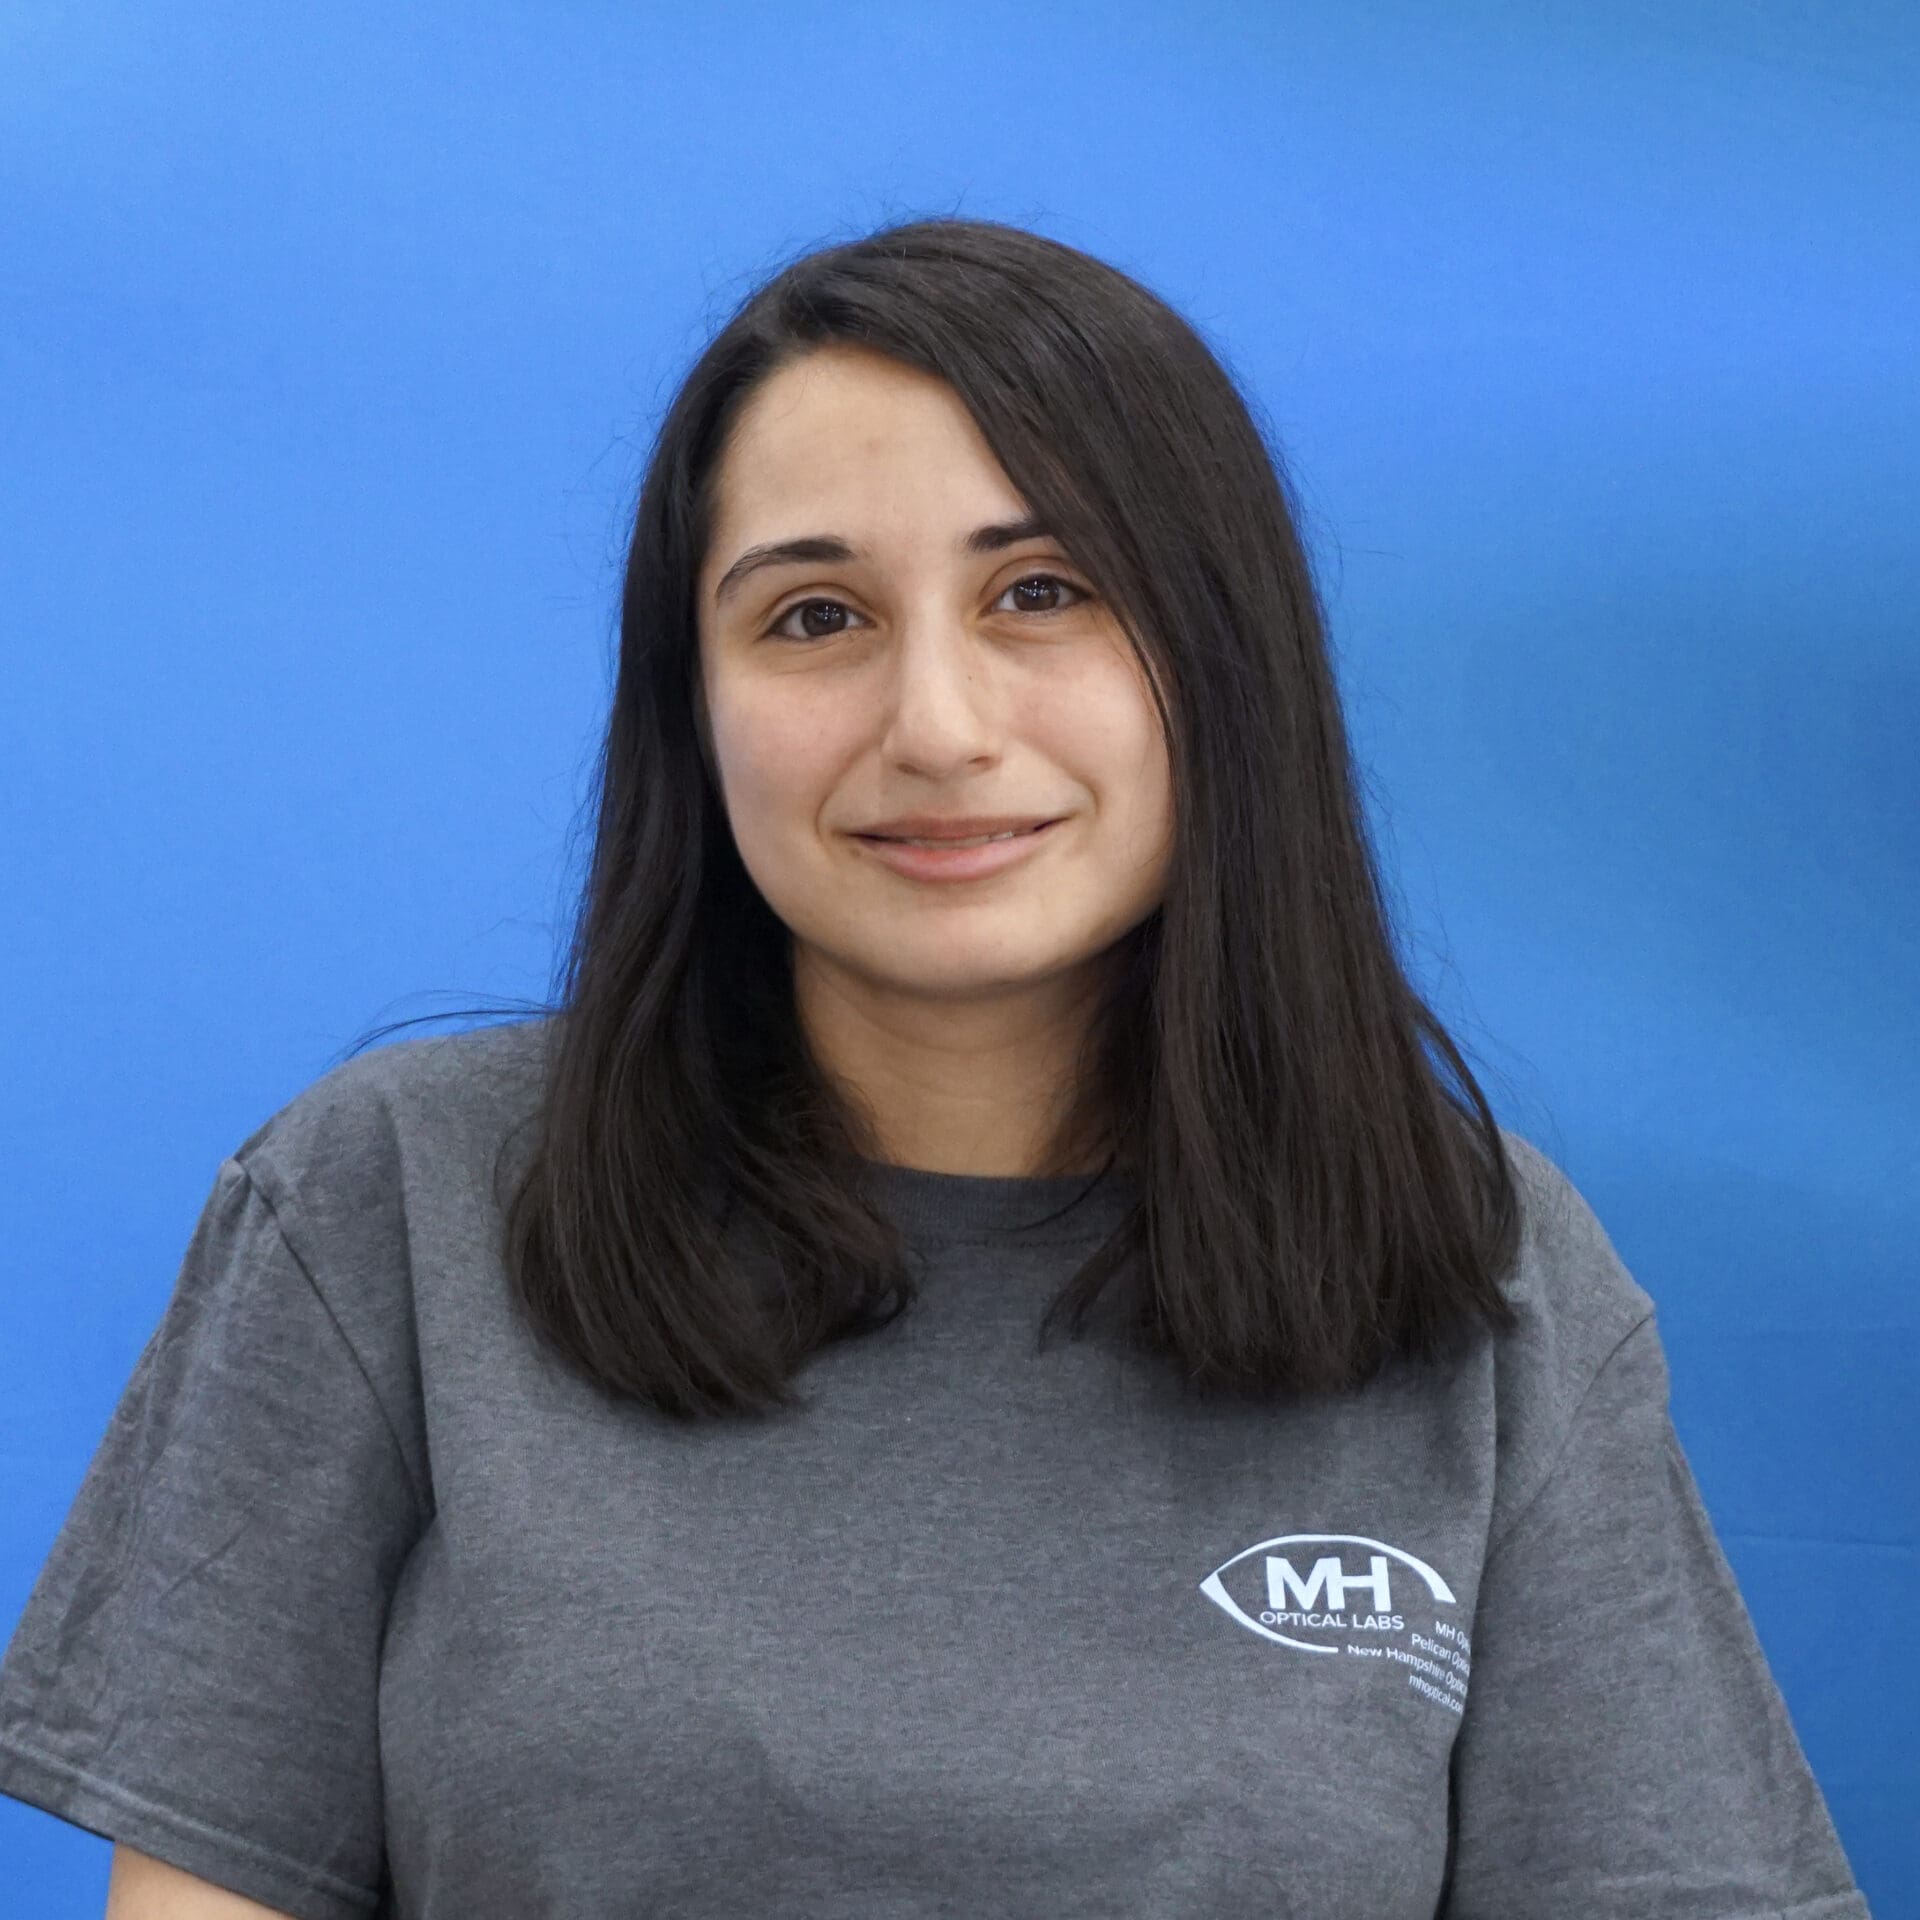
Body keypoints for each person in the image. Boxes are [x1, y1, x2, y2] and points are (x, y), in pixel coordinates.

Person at [0, 217, 1872, 1919]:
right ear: (693, 705)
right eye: (814, 617)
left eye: (1042, 592)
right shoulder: (389, 1204)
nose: (938, 725)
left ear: (1218, 662)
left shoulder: (1487, 1275)